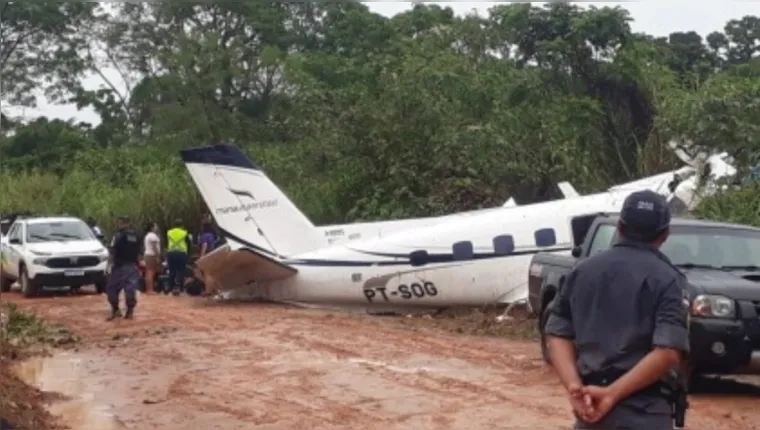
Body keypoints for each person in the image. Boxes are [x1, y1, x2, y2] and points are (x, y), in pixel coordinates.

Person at [544, 190, 690, 429]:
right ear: (665, 234)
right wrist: (612, 394)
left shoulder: (581, 272)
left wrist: (573, 387)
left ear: (619, 226)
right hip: (645, 412)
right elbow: (667, 352)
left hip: (591, 410)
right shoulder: (669, 279)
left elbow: (558, 334)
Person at [107, 216, 141, 320]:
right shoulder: (136, 235)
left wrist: (109, 264)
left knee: (112, 288)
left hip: (119, 266)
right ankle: (130, 312)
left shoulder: (117, 235)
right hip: (132, 266)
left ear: (122, 223)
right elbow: (139, 250)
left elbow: (112, 250)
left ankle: (115, 310)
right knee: (130, 288)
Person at [166, 219, 192, 296]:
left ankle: (170, 288)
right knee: (181, 270)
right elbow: (188, 244)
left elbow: (166, 243)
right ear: (181, 225)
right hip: (181, 253)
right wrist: (189, 254)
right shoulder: (184, 233)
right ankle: (180, 288)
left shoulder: (169, 232)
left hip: (171, 253)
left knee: (172, 271)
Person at [142, 222, 161, 294]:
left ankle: (148, 289)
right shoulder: (153, 236)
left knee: (148, 272)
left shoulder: (147, 235)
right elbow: (154, 247)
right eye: (155, 226)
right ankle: (150, 290)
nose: (157, 227)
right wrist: (157, 257)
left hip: (147, 255)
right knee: (151, 273)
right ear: (152, 227)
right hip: (151, 255)